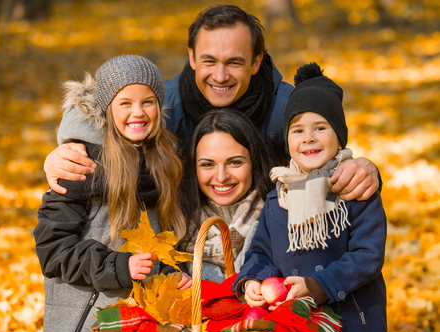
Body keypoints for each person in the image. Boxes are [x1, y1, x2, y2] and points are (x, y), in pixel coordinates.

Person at [42, 4, 380, 202]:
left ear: (257, 61)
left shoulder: (287, 108)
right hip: (184, 249)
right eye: (208, 61)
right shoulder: (164, 105)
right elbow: (106, 117)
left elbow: (329, 155)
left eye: (234, 62)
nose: (220, 76)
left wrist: (365, 167)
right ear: (191, 57)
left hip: (270, 250)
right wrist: (69, 146)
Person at [33, 55, 191, 332]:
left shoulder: (164, 162)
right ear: (107, 108)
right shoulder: (79, 165)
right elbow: (52, 249)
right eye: (125, 103)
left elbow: (163, 238)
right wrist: (120, 265)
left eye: (148, 101)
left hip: (141, 331)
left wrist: (175, 272)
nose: (139, 112)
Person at [233, 63, 389, 332]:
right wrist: (252, 279)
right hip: (297, 331)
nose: (308, 138)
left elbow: (368, 256)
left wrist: (317, 286)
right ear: (287, 139)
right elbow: (260, 252)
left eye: (320, 127)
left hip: (352, 331)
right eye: (297, 130)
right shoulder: (278, 198)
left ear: (339, 136)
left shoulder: (354, 190)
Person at [176, 108, 274, 282]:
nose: (221, 177)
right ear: (194, 168)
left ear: (254, 162)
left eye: (235, 162)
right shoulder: (178, 226)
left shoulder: (278, 215)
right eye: (207, 164)